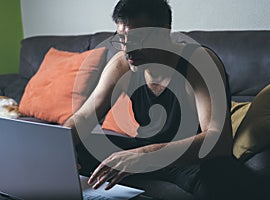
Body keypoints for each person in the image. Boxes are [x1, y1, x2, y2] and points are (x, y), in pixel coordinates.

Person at [63, 0, 250, 199]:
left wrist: (144, 156)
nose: (127, 50)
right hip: (143, 149)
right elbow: (84, 117)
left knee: (222, 173)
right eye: (122, 39)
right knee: (76, 143)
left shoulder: (198, 62)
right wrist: (61, 147)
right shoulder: (122, 64)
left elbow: (218, 140)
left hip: (190, 161)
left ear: (164, 31)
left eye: (137, 39)